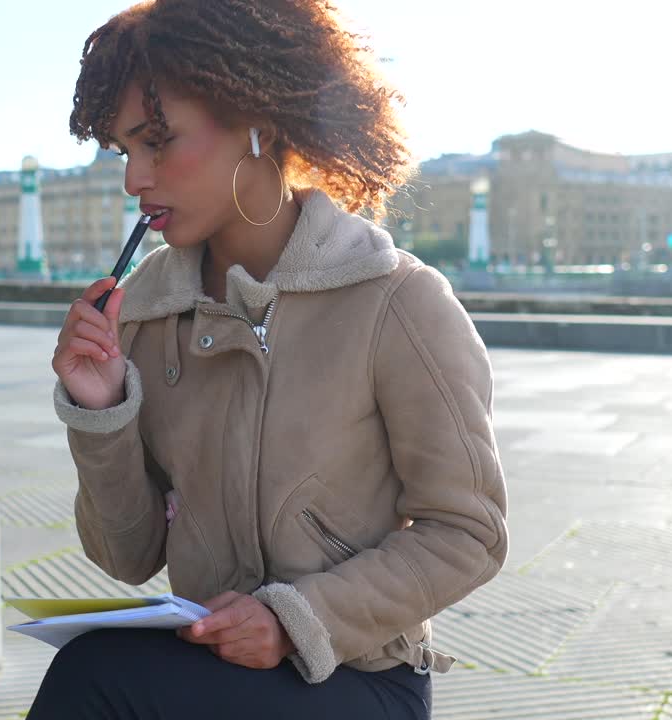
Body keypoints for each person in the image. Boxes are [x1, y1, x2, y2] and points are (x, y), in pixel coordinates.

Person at [36, 1, 508, 718]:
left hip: (357, 674)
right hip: (208, 664)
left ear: (257, 119)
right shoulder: (148, 316)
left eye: (158, 142)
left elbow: (468, 531)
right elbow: (127, 558)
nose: (134, 177)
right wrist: (100, 414)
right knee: (95, 669)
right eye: (123, 150)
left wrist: (298, 619)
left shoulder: (398, 303)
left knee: (95, 679)